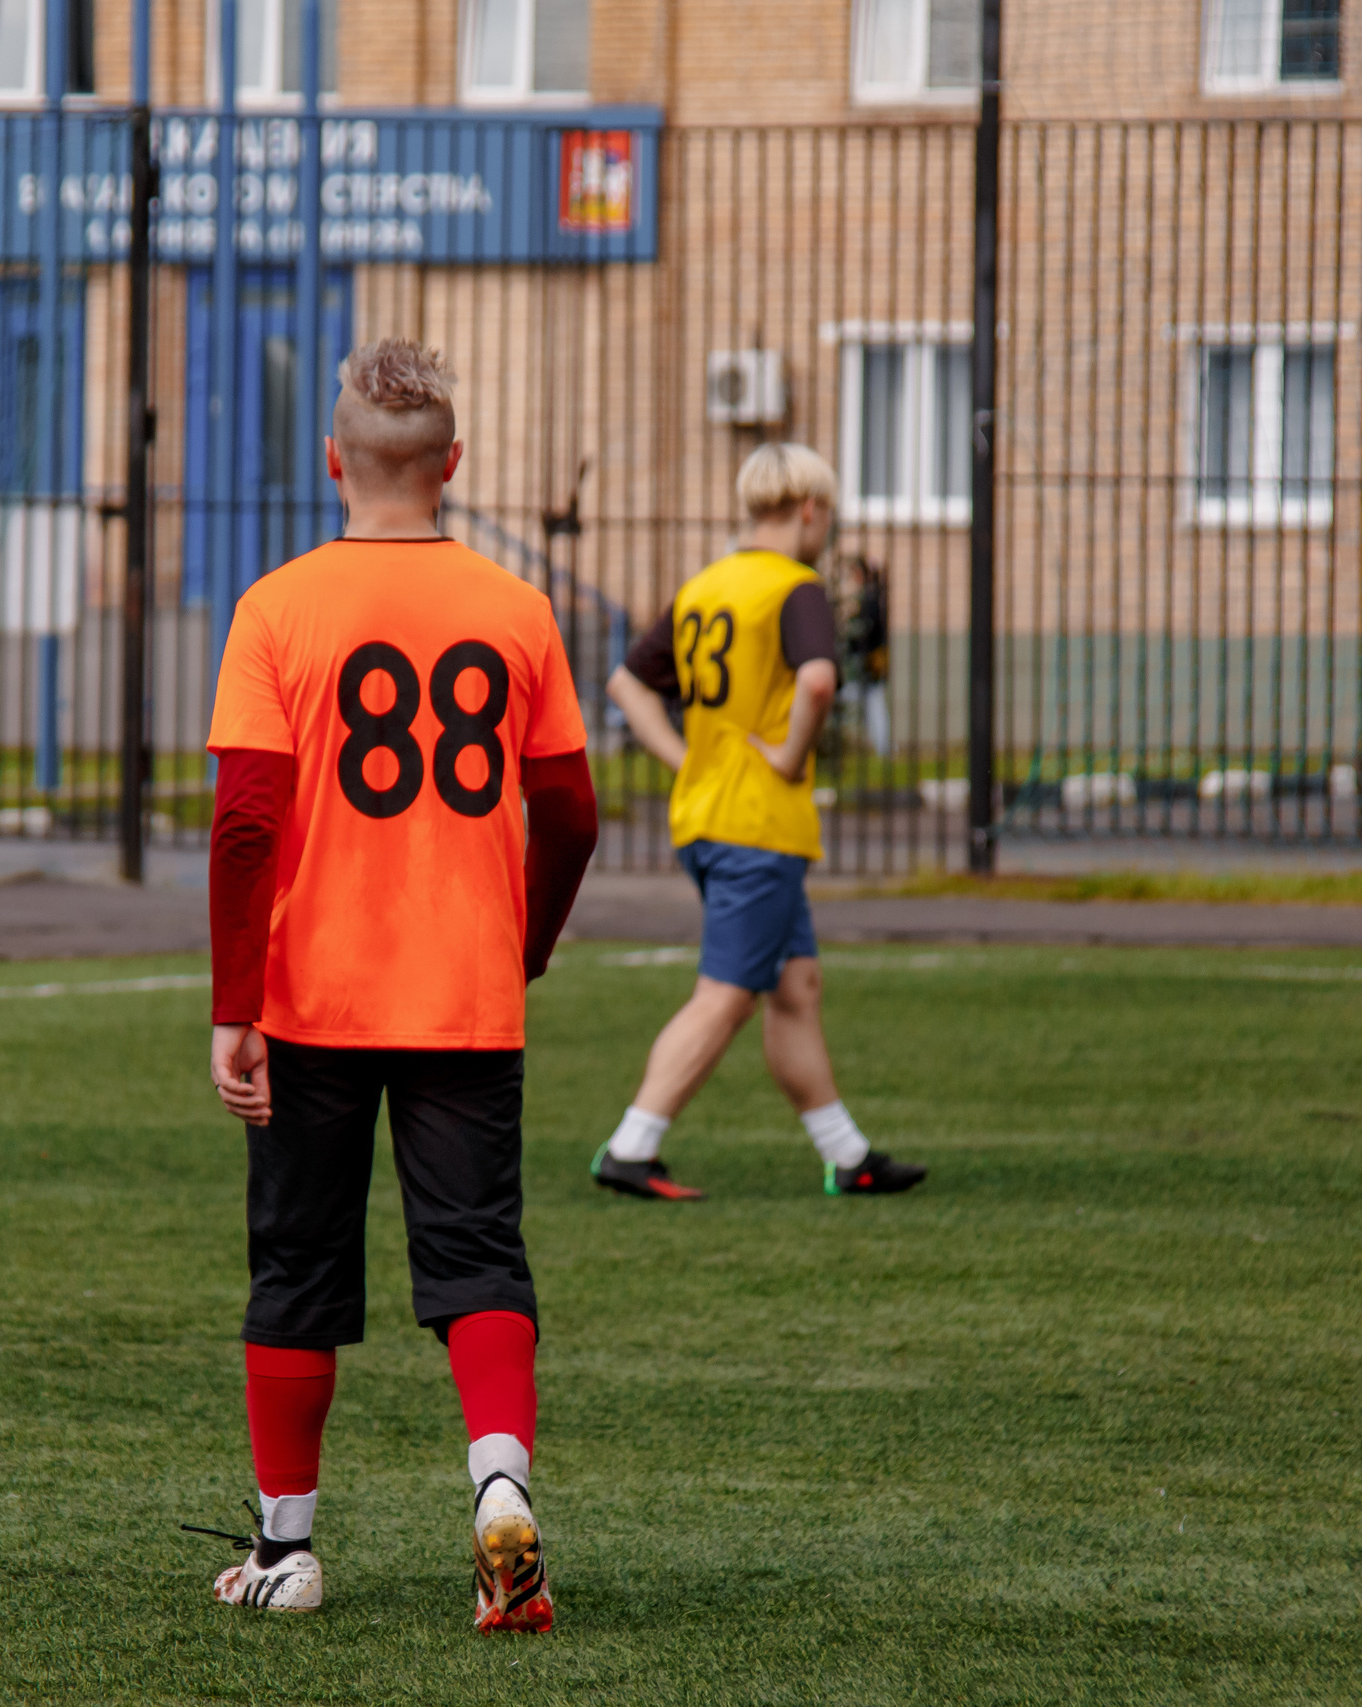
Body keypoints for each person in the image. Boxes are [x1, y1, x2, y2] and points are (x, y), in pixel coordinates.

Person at [201, 338, 599, 1633]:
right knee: (478, 1251)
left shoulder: (277, 606)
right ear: (454, 467)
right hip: (463, 996)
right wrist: (522, 943)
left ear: (334, 462)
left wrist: (234, 998)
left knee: (298, 1262)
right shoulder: (519, 608)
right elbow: (575, 814)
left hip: (311, 996)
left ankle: (287, 1547)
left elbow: (247, 822)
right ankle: (498, 1487)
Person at [592, 444, 926, 1202]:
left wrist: (684, 757)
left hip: (707, 817)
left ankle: (848, 1155)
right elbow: (817, 679)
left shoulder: (708, 584)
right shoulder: (795, 587)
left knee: (794, 986)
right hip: (757, 825)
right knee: (728, 993)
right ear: (810, 509)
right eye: (829, 515)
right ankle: (631, 1145)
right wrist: (785, 756)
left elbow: (625, 682)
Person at [840, 557, 893, 756]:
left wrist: (851, 633)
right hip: (867, 666)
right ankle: (881, 749)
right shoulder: (871, 596)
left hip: (870, 664)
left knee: (873, 704)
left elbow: (866, 631)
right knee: (870, 705)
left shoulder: (870, 598)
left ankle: (883, 749)